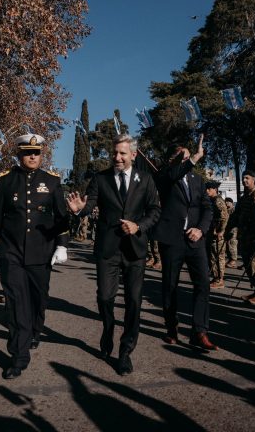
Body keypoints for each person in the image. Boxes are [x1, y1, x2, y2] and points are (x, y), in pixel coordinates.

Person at [67, 134, 161, 375]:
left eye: (122, 153)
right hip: (107, 250)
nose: (117, 157)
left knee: (133, 302)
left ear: (133, 154)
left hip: (135, 250)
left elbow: (154, 211)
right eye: (114, 153)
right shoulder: (101, 178)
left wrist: (138, 226)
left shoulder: (146, 180)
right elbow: (90, 204)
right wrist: (79, 210)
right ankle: (108, 328)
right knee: (105, 298)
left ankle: (126, 350)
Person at [0, 134, 70, 380]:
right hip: (11, 253)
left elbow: (60, 217)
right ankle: (18, 356)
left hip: (42, 253)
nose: (33, 156)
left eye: (37, 152)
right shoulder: (5, 181)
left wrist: (62, 245)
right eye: (27, 152)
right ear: (19, 155)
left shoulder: (52, 182)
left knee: (38, 298)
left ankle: (35, 330)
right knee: (15, 304)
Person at [153, 139, 216, 350]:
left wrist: (201, 229)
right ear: (172, 159)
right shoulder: (164, 176)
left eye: (188, 157)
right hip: (172, 240)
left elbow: (207, 208)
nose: (187, 160)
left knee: (203, 285)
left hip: (195, 240)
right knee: (170, 285)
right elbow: (172, 174)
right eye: (182, 157)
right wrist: (193, 158)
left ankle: (199, 331)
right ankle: (172, 328)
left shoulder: (197, 180)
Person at [225, 170, 255, 305]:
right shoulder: (245, 197)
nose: (244, 180)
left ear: (254, 179)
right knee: (248, 263)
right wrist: (229, 228)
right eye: (243, 178)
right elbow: (236, 215)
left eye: (247, 178)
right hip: (244, 236)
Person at [206, 181, 229, 289]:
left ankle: (220, 280)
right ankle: (216, 278)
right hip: (212, 232)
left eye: (209, 189)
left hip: (217, 234)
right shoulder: (212, 200)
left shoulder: (218, 201)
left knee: (218, 257)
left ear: (215, 189)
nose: (207, 191)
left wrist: (221, 231)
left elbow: (224, 217)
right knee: (213, 256)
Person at [224, 197, 238, 268]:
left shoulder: (233, 210)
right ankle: (230, 259)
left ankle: (233, 260)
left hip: (233, 230)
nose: (226, 203)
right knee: (228, 244)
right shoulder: (226, 210)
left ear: (231, 203)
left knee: (232, 244)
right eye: (225, 202)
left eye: (228, 202)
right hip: (227, 229)